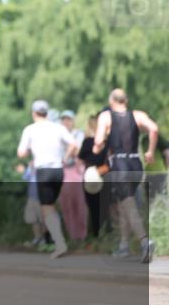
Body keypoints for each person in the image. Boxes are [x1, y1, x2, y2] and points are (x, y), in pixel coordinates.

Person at [92, 88, 158, 263]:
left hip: (120, 164)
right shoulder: (137, 115)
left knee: (128, 205)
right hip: (136, 164)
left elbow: (98, 142)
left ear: (111, 100)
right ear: (126, 101)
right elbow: (154, 128)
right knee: (124, 205)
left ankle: (145, 241)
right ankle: (123, 246)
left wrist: (99, 144)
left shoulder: (105, 117)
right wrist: (150, 151)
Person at [17, 100, 79, 259]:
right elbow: (73, 144)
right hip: (59, 170)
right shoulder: (58, 128)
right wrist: (64, 158)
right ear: (47, 112)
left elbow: (21, 153)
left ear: (33, 113)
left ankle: (59, 244)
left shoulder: (30, 129)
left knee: (47, 208)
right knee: (53, 204)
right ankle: (60, 238)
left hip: (43, 171)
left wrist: (32, 149)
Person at [57, 110, 88, 242]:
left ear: (73, 121)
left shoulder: (78, 134)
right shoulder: (58, 136)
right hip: (63, 172)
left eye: (68, 119)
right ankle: (73, 235)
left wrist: (70, 148)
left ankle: (83, 235)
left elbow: (78, 151)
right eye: (63, 120)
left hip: (76, 171)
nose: (66, 122)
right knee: (66, 205)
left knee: (79, 204)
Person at [78, 115, 108, 240]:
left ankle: (96, 235)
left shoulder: (87, 142)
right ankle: (107, 234)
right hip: (104, 174)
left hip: (90, 176)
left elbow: (80, 159)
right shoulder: (107, 142)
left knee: (93, 208)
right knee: (106, 207)